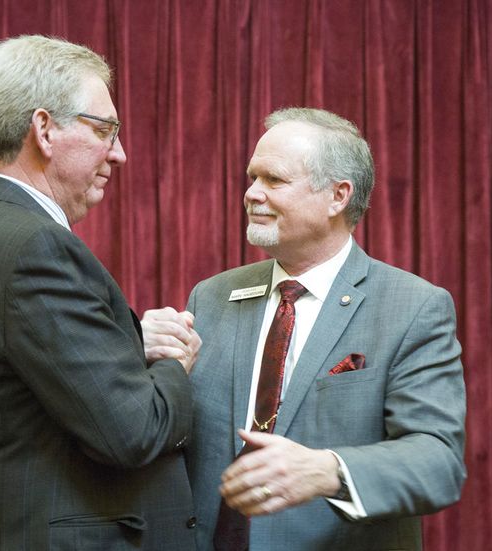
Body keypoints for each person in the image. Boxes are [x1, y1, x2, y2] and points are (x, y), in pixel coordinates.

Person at [0, 35, 202, 550]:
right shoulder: (36, 247)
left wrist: (125, 347)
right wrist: (174, 360)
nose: (119, 153)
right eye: (104, 130)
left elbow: (37, 383)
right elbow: (132, 433)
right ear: (44, 130)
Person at [185, 108, 466, 550]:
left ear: (338, 196)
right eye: (252, 177)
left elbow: (438, 463)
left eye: (273, 180)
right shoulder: (211, 297)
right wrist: (152, 363)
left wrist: (329, 471)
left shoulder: (413, 307)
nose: (252, 193)